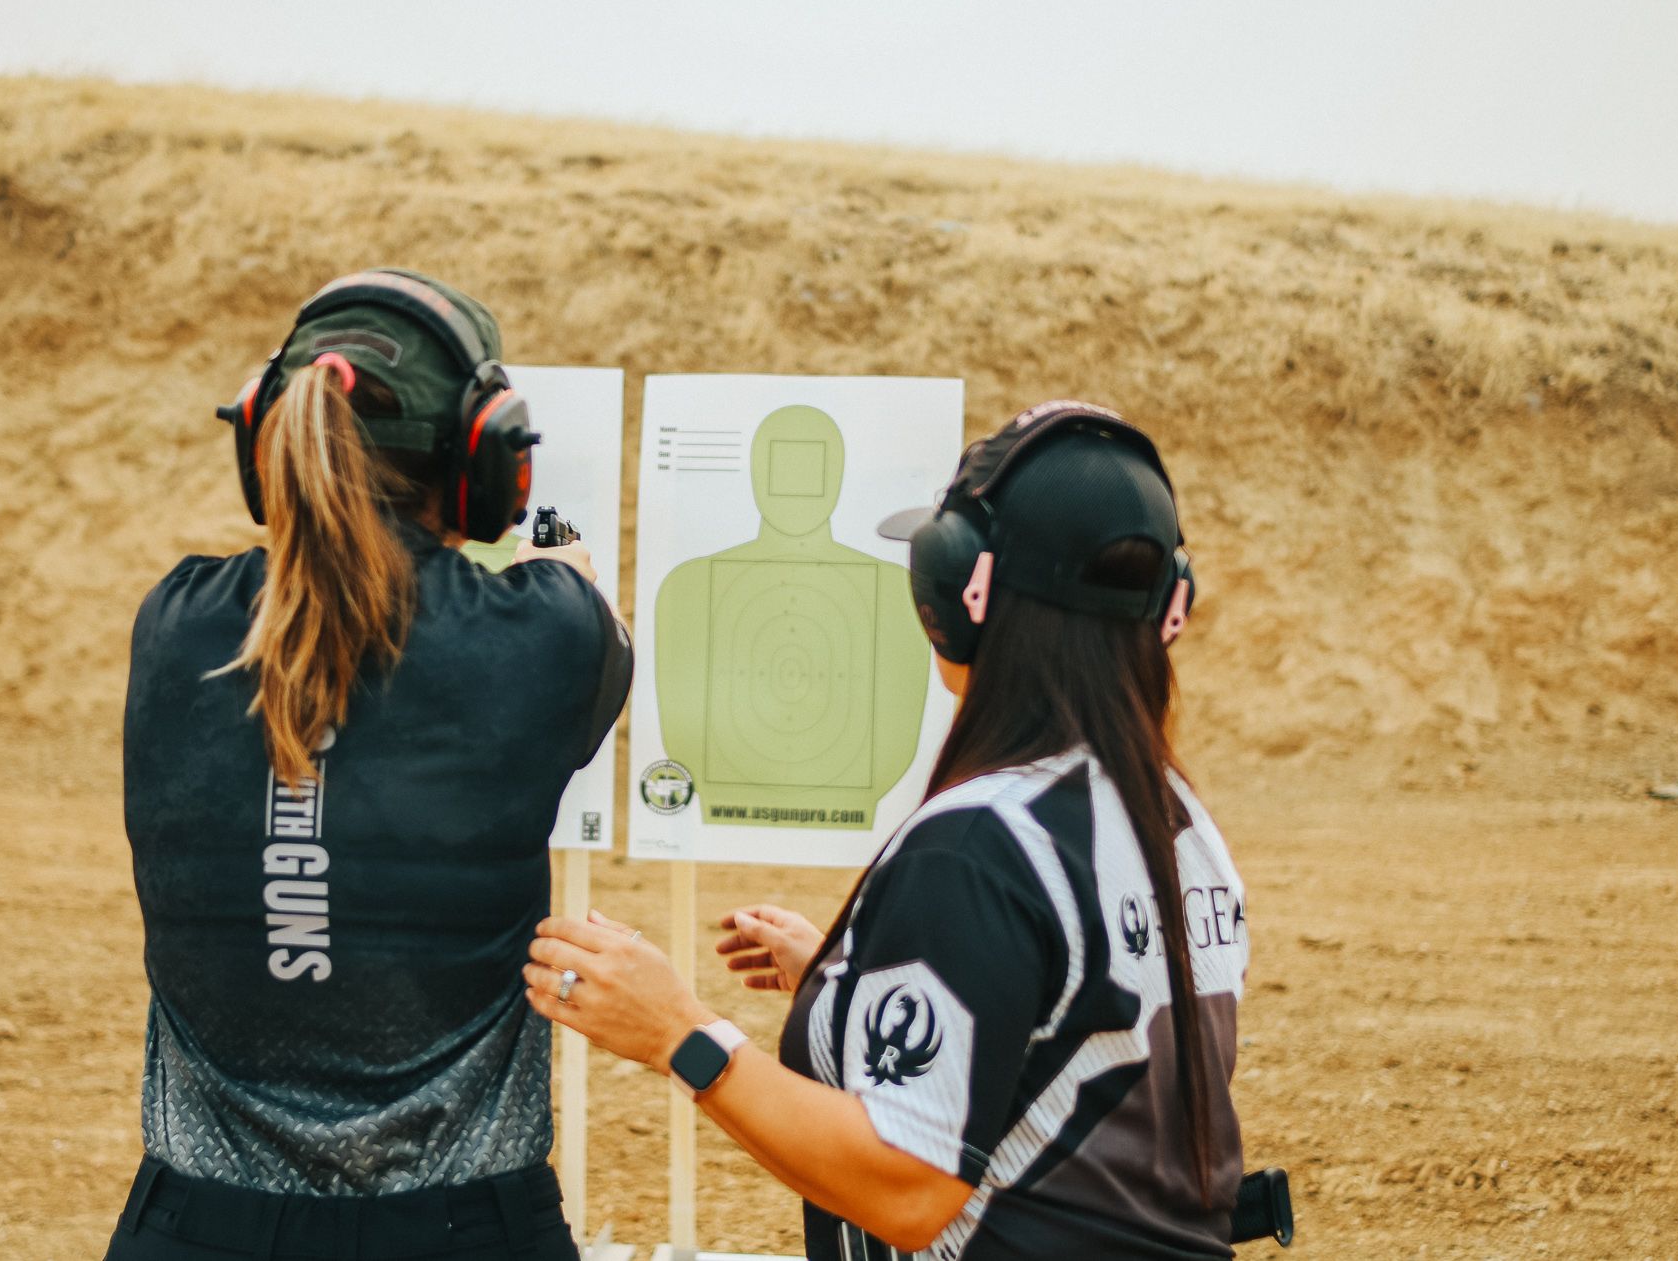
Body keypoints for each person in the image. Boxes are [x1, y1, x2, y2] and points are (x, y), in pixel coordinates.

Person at [527, 402, 1249, 1259]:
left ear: (960, 595)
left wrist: (677, 1030)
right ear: (1169, 606)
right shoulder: (1176, 818)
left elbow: (905, 1186)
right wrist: (852, 991)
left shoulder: (979, 847)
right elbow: (1059, 1030)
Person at [109, 269, 632, 1261]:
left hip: (191, 1230)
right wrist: (562, 580)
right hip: (459, 1229)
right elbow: (562, 641)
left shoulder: (174, 622)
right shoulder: (545, 634)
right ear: (485, 461)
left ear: (262, 436)